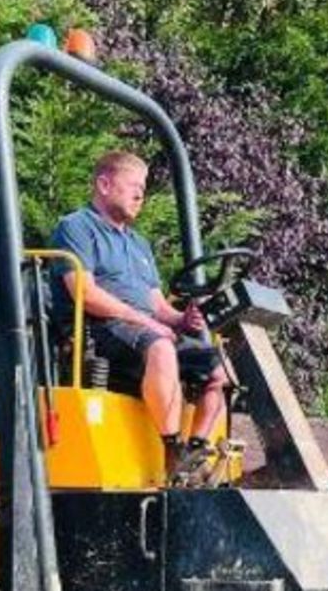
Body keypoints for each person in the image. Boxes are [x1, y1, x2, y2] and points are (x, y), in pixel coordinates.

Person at [50, 150, 230, 481]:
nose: (140, 195)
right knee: (160, 345)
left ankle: (194, 450)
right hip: (99, 330)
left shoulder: (138, 244)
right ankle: (172, 448)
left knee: (217, 370)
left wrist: (181, 319)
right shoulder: (76, 227)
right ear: (104, 184)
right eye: (133, 186)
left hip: (143, 332)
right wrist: (147, 322)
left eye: (143, 188)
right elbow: (84, 293)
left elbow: (158, 306)